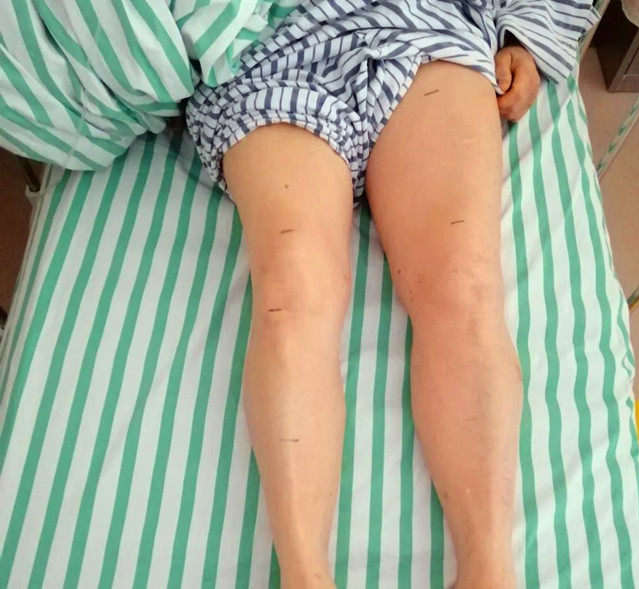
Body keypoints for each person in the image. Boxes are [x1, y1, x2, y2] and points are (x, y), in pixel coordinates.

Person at [186, 2, 597, 587]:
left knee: (462, 281)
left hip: (424, 25)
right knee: (291, 288)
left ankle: (488, 571)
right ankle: (303, 576)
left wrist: (528, 39)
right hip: (268, 48)